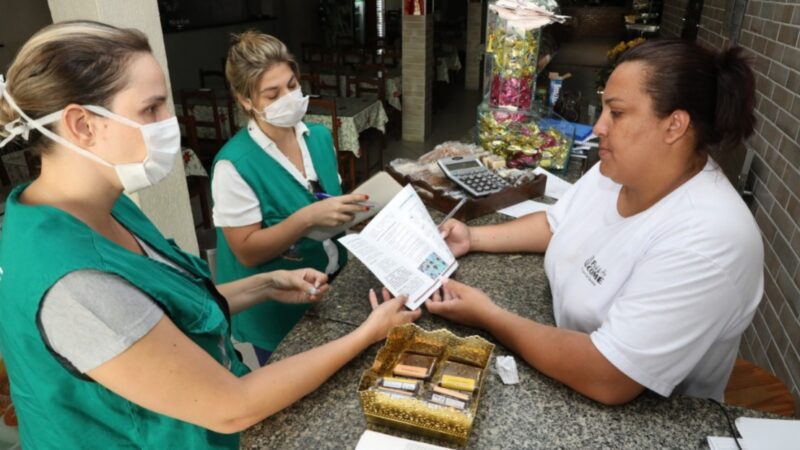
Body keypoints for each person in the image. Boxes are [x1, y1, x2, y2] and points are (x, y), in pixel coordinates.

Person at [0, 21, 419, 449]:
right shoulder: (74, 283)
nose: (171, 122)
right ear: (82, 125)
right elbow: (232, 405)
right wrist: (368, 333)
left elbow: (169, 307)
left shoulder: (103, 206)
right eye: (152, 109)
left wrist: (266, 282)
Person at [430, 39, 763, 405]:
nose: (597, 127)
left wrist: (489, 316)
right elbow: (558, 224)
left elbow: (609, 375)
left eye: (616, 113)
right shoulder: (618, 170)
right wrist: (472, 238)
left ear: (674, 126)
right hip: (563, 356)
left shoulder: (710, 237)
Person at [211, 31, 366, 365]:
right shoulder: (235, 165)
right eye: (272, 94)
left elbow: (329, 200)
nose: (289, 98)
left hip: (330, 285)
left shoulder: (319, 137)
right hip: (277, 306)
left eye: (292, 86)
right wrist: (307, 217)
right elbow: (247, 251)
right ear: (246, 101)